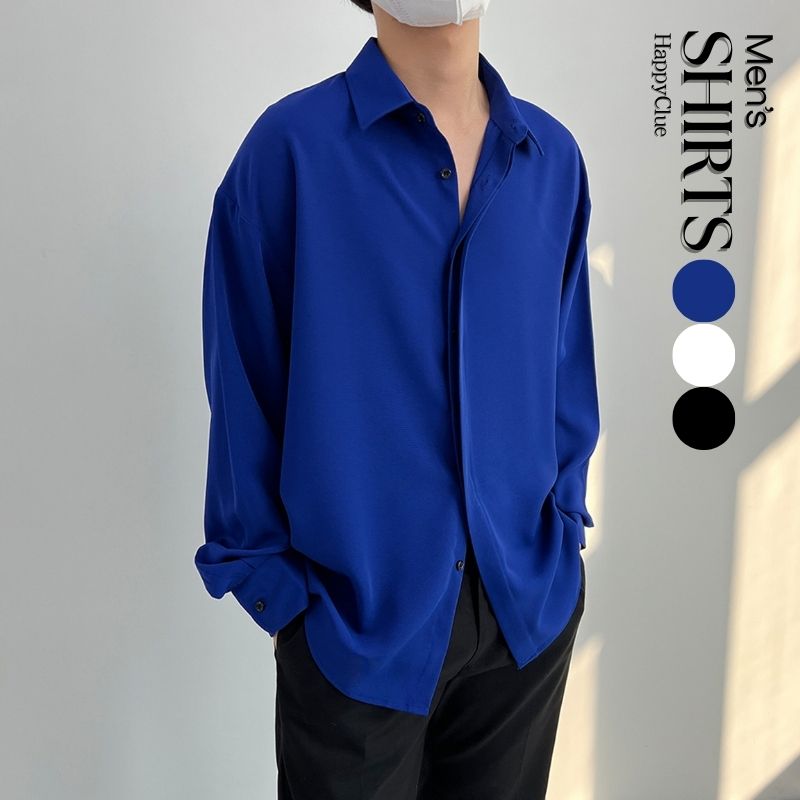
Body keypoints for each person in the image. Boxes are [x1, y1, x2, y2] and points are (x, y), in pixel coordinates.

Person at [194, 0, 600, 797]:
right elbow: (242, 380)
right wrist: (286, 603)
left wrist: (561, 530)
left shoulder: (551, 159)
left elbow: (566, 367)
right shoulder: (290, 151)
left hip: (524, 620)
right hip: (354, 631)